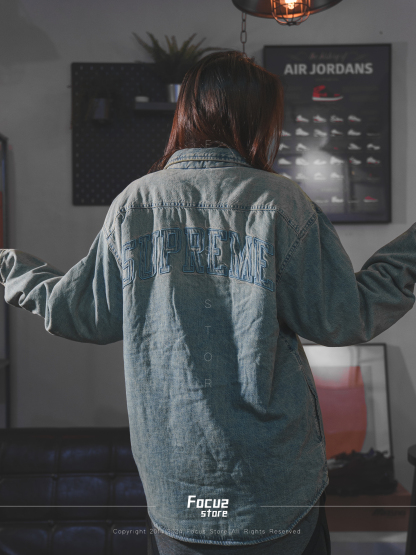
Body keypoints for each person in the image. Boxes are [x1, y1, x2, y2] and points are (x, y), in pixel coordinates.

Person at [1, 50, 416, 555]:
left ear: (189, 112)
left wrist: (8, 268)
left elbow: (78, 312)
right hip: (274, 491)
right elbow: (343, 317)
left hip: (178, 495)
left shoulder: (136, 203)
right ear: (256, 120)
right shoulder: (279, 202)